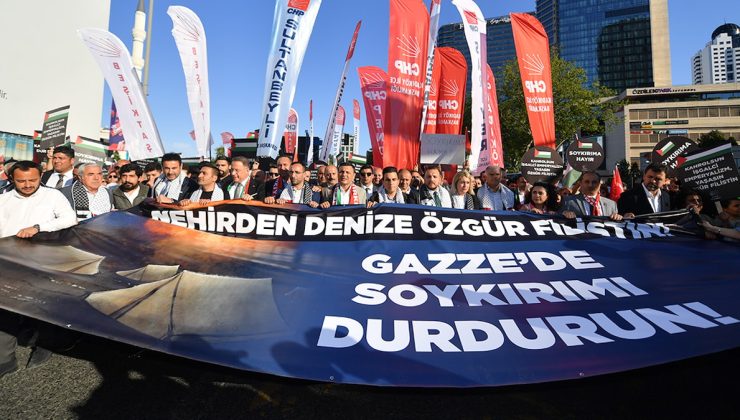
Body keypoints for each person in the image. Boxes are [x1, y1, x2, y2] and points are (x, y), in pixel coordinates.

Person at [0, 161, 77, 378]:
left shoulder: (53, 196)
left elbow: (69, 219)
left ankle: (45, 344)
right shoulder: (4, 199)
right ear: (11, 179)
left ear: (40, 176)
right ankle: (5, 360)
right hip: (9, 261)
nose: (27, 185)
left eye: (32, 180)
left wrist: (38, 228)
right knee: (5, 308)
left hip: (43, 261)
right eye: (21, 181)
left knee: (43, 306)